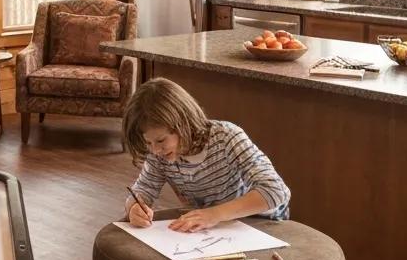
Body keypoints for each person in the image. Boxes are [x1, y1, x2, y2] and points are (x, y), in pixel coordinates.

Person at [121, 77, 289, 231]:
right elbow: (143, 189)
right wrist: (134, 207)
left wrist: (214, 214)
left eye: (160, 140)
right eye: (148, 143)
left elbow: (276, 190)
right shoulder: (160, 154)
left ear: (183, 123)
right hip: (216, 228)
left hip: (261, 223)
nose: (155, 150)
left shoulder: (226, 137)